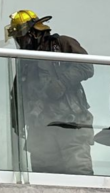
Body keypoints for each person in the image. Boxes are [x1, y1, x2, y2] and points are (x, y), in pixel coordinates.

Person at [8, 10, 94, 175]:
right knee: (44, 180)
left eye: (21, 37)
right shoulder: (25, 61)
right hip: (40, 130)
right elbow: (17, 92)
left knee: (79, 175)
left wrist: (61, 83)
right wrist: (16, 119)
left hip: (70, 125)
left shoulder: (61, 44)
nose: (19, 41)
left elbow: (86, 66)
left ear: (32, 33)